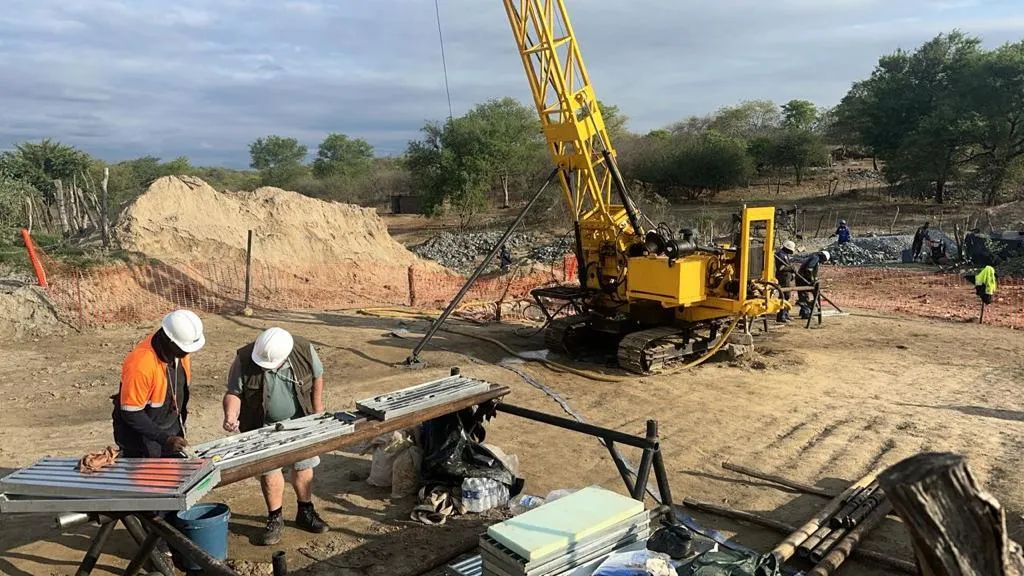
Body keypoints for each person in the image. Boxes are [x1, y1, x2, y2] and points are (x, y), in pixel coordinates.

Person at [222, 327, 329, 546]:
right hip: (263, 425)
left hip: (301, 419)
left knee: (304, 466)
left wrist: (318, 409)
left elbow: (318, 377)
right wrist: (231, 415)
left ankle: (305, 512)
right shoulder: (244, 358)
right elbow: (234, 393)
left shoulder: (303, 350)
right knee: (270, 470)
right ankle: (275, 518)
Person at [112, 309, 205, 459]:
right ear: (169, 340)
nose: (186, 353)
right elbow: (131, 412)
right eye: (183, 349)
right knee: (148, 481)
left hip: (169, 429)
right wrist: (164, 439)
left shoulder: (180, 353)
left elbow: (179, 392)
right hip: (140, 439)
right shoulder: (141, 364)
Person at [796, 250, 831, 319]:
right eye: (824, 260)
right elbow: (809, 269)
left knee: (803, 295)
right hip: (802, 279)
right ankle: (806, 312)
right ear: (823, 257)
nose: (823, 262)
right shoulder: (816, 258)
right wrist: (812, 280)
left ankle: (804, 312)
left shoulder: (814, 257)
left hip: (802, 278)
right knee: (804, 295)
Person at [774, 240, 797, 323]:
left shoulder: (785, 254)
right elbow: (780, 268)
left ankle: (785, 314)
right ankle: (781, 316)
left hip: (786, 277)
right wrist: (790, 269)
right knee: (784, 295)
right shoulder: (780, 254)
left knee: (787, 295)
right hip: (783, 277)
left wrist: (791, 272)